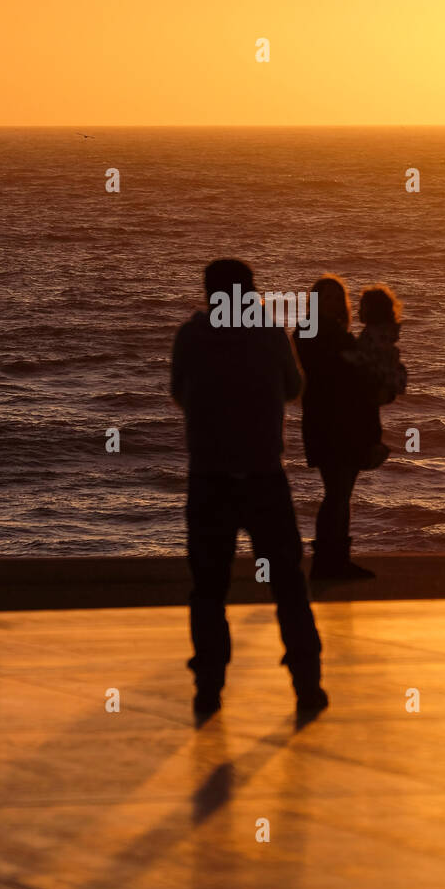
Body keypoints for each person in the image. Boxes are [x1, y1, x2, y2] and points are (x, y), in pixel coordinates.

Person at [171, 258, 328, 720]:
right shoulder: (269, 334)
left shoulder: (191, 337)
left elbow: (180, 393)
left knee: (208, 588)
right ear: (251, 292)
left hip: (210, 477)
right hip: (263, 476)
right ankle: (307, 684)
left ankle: (209, 686)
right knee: (288, 583)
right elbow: (294, 387)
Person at [295, 276, 382, 581]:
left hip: (336, 423)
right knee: (337, 493)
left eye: (337, 298)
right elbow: (344, 378)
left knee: (340, 493)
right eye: (326, 298)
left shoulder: (330, 335)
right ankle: (329, 562)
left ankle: (334, 560)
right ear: (315, 302)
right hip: (331, 424)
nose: (333, 303)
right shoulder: (316, 333)